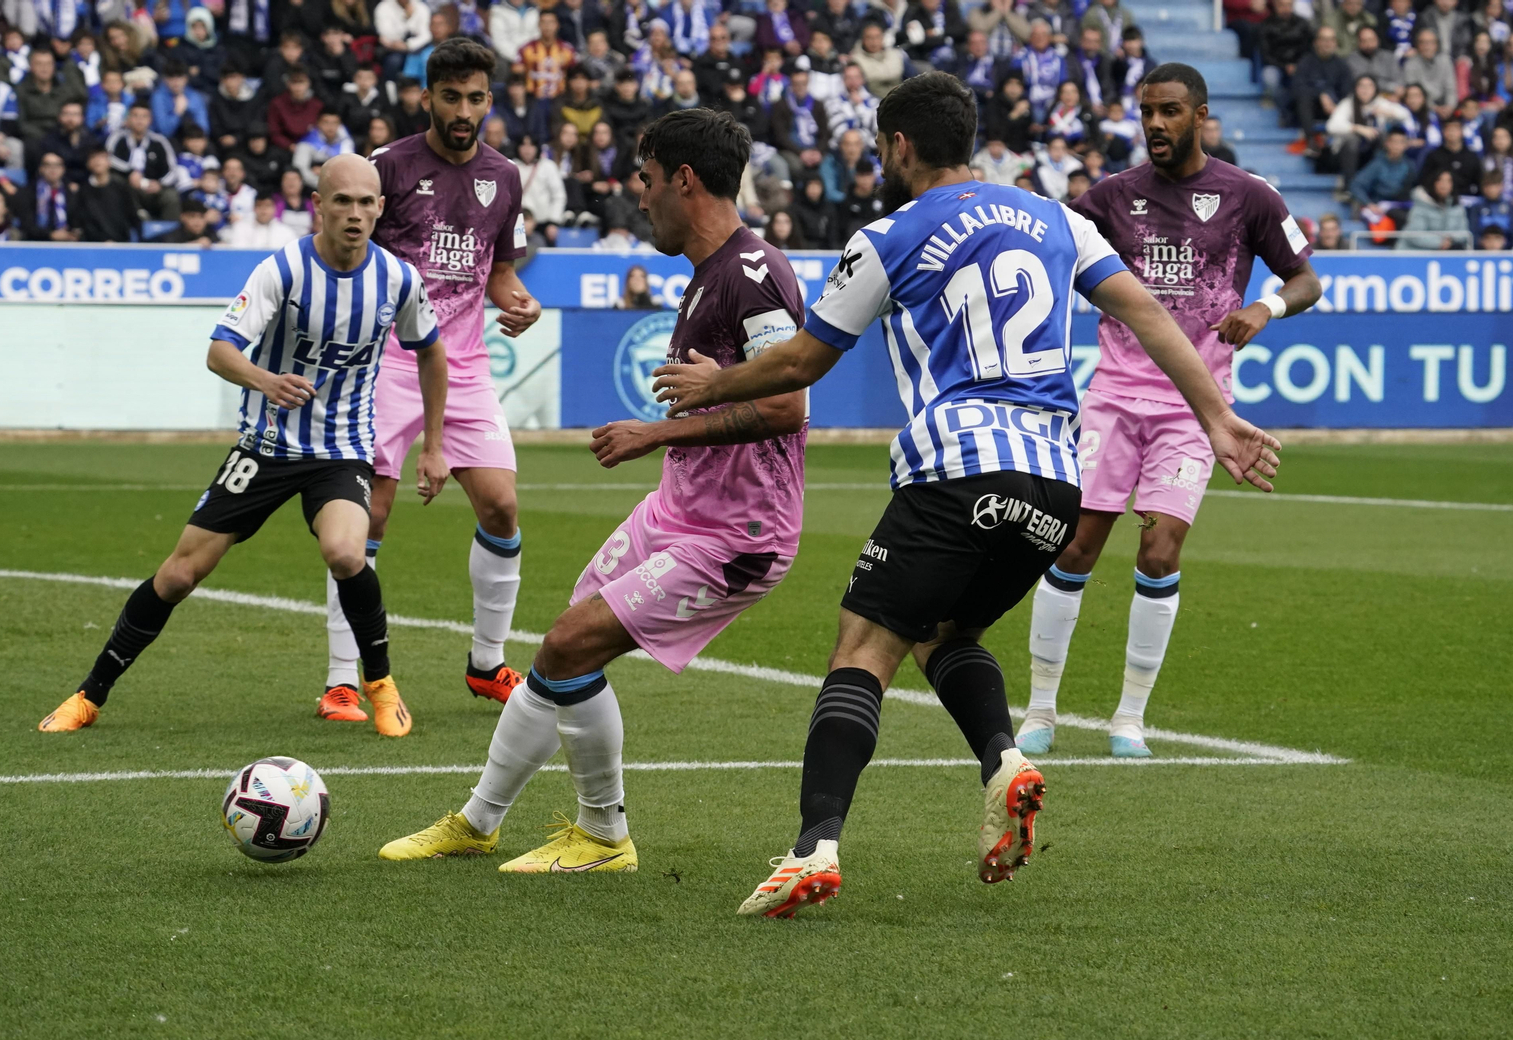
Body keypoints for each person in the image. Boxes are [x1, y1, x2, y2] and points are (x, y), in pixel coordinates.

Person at [650, 71, 1284, 917]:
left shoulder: (887, 236)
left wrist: (715, 382)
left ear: (900, 145)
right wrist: (1218, 417)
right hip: (1053, 483)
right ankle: (1004, 762)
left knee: (862, 649)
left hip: (957, 468)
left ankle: (813, 849)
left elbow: (802, 361)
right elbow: (1149, 314)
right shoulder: (1058, 218)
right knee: (945, 633)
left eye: (884, 146)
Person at [377, 108, 810, 876]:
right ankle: (482, 823)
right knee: (563, 648)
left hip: (739, 534)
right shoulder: (709, 274)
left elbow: (788, 405)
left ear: (684, 180)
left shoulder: (754, 273)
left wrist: (658, 432)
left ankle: (603, 836)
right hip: (679, 512)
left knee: (571, 645)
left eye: (647, 180)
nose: (639, 198)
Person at [40, 155, 447, 735]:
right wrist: (266, 380)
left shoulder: (398, 279)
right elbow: (220, 350)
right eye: (342, 201)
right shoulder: (282, 270)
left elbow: (432, 352)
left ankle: (380, 685)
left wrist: (433, 444)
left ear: (381, 207)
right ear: (318, 205)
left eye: (365, 203)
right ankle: (89, 694)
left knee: (346, 553)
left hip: (341, 451)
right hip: (265, 447)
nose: (355, 214)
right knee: (179, 575)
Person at [1013, 63, 1320, 759]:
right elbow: (1047, 252)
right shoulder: (1110, 198)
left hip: (1193, 411)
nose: (1155, 123)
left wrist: (1264, 307)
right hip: (1114, 398)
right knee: (1075, 545)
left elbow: (1306, 278)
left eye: (1170, 111)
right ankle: (1040, 709)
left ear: (1200, 115)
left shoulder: (1250, 196)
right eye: (1147, 111)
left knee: (1159, 551)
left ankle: (1129, 720)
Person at [319, 39, 541, 722]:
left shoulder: (505, 177)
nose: (463, 111)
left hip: (464, 363)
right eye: (451, 97)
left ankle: (486, 664)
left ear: (489, 101)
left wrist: (518, 301)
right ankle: (342, 679)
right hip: (387, 360)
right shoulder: (386, 167)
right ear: (427, 99)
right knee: (370, 513)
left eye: (475, 98)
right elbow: (346, 254)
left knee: (501, 506)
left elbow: (497, 270)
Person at [106, 102, 181, 220]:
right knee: (115, 182)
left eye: (144, 116)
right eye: (135, 116)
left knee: (171, 196)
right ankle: (136, 222)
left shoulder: (160, 141)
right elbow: (107, 159)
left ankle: (171, 230)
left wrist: (160, 184)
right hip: (127, 187)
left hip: (154, 189)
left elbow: (173, 170)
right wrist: (130, 172)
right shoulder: (117, 138)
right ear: (128, 118)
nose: (139, 120)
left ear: (150, 120)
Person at [71, 145, 139, 240]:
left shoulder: (121, 187)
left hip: (121, 243)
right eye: (93, 157)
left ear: (109, 162)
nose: (97, 161)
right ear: (88, 163)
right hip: (94, 244)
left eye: (101, 157)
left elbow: (132, 216)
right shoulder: (83, 191)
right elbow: (83, 222)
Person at [1397, 165, 1469, 246]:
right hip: (1414, 251)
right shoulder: (1421, 205)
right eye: (1440, 180)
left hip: (1445, 251)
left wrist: (1450, 239)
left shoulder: (1457, 208)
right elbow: (1414, 235)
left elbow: (1464, 233)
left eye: (1448, 181)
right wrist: (1440, 243)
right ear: (1433, 183)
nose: (1444, 185)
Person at [1349, 125, 1416, 208]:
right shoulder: (1377, 164)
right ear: (1387, 143)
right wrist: (1369, 203)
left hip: (1400, 205)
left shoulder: (1410, 166)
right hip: (1379, 204)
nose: (1397, 146)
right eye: (1394, 142)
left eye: (1401, 142)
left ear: (1406, 145)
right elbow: (1356, 185)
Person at [294, 105, 354, 187]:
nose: (330, 127)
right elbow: (299, 170)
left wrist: (324, 171)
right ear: (318, 123)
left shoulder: (346, 143)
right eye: (326, 122)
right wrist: (323, 185)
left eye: (334, 123)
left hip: (339, 187)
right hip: (311, 187)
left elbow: (349, 170)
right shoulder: (306, 143)